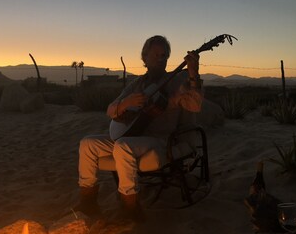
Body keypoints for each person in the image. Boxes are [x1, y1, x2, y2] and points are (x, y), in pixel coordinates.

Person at [76, 35, 203, 221]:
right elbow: (110, 110)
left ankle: (130, 208)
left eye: (164, 55)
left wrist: (193, 73)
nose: (161, 59)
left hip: (159, 139)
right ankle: (88, 202)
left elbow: (195, 106)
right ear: (144, 58)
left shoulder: (177, 81)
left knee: (122, 146)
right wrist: (126, 103)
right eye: (156, 55)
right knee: (87, 144)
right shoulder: (137, 84)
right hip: (132, 136)